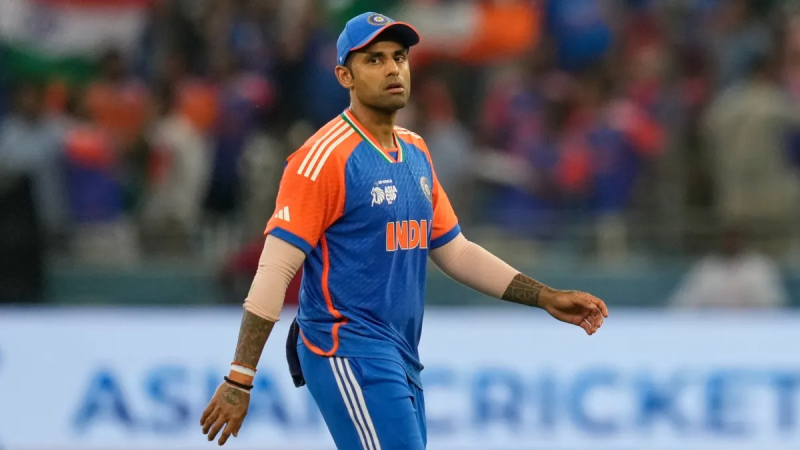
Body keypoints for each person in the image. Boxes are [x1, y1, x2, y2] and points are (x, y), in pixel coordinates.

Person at [200, 12, 609, 449]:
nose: (393, 68)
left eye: (399, 57)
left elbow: (456, 251)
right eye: (374, 59)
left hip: (399, 354)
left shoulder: (414, 150)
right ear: (344, 76)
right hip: (346, 348)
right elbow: (274, 271)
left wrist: (544, 296)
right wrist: (239, 378)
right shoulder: (323, 158)